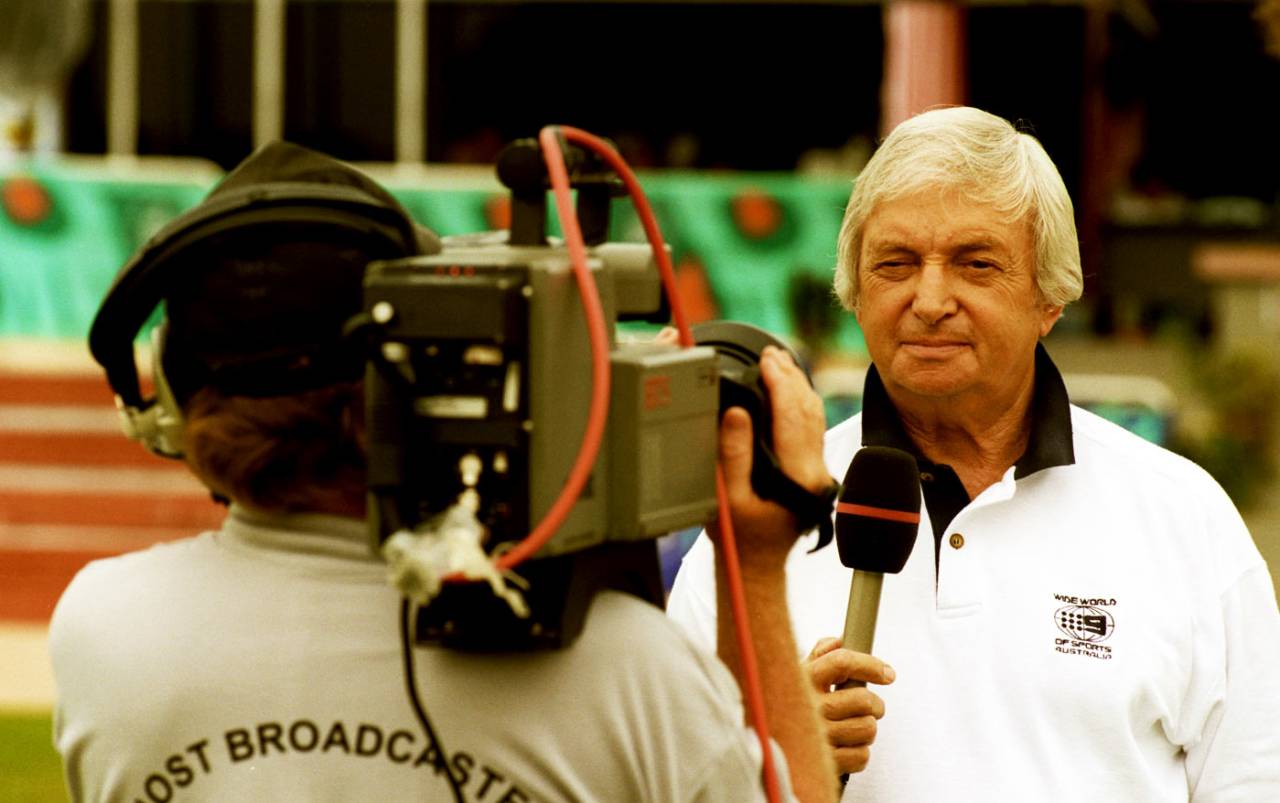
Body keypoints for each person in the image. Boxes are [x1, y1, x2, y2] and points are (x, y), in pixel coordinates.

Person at [49, 141, 837, 802]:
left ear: (175, 395)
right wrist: (756, 562)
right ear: (423, 373)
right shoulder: (630, 671)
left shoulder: (100, 626)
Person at [668, 106, 1280, 801]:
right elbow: (661, 778)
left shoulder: (1182, 515)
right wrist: (769, 748)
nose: (929, 300)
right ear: (854, 292)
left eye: (974, 263)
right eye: (895, 264)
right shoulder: (756, 526)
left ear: (1048, 298)